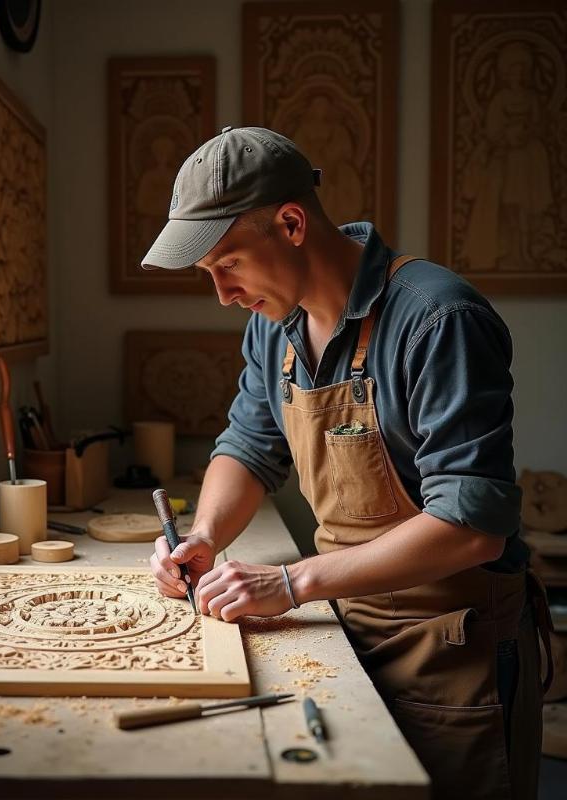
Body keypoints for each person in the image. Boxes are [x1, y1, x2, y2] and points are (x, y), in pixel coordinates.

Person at [141, 126, 552, 800]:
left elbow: (474, 524)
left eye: (228, 264)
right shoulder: (273, 326)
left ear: (292, 223)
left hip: (452, 647)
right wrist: (206, 537)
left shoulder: (437, 318)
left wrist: (293, 582)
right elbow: (246, 446)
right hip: (347, 624)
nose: (221, 293)